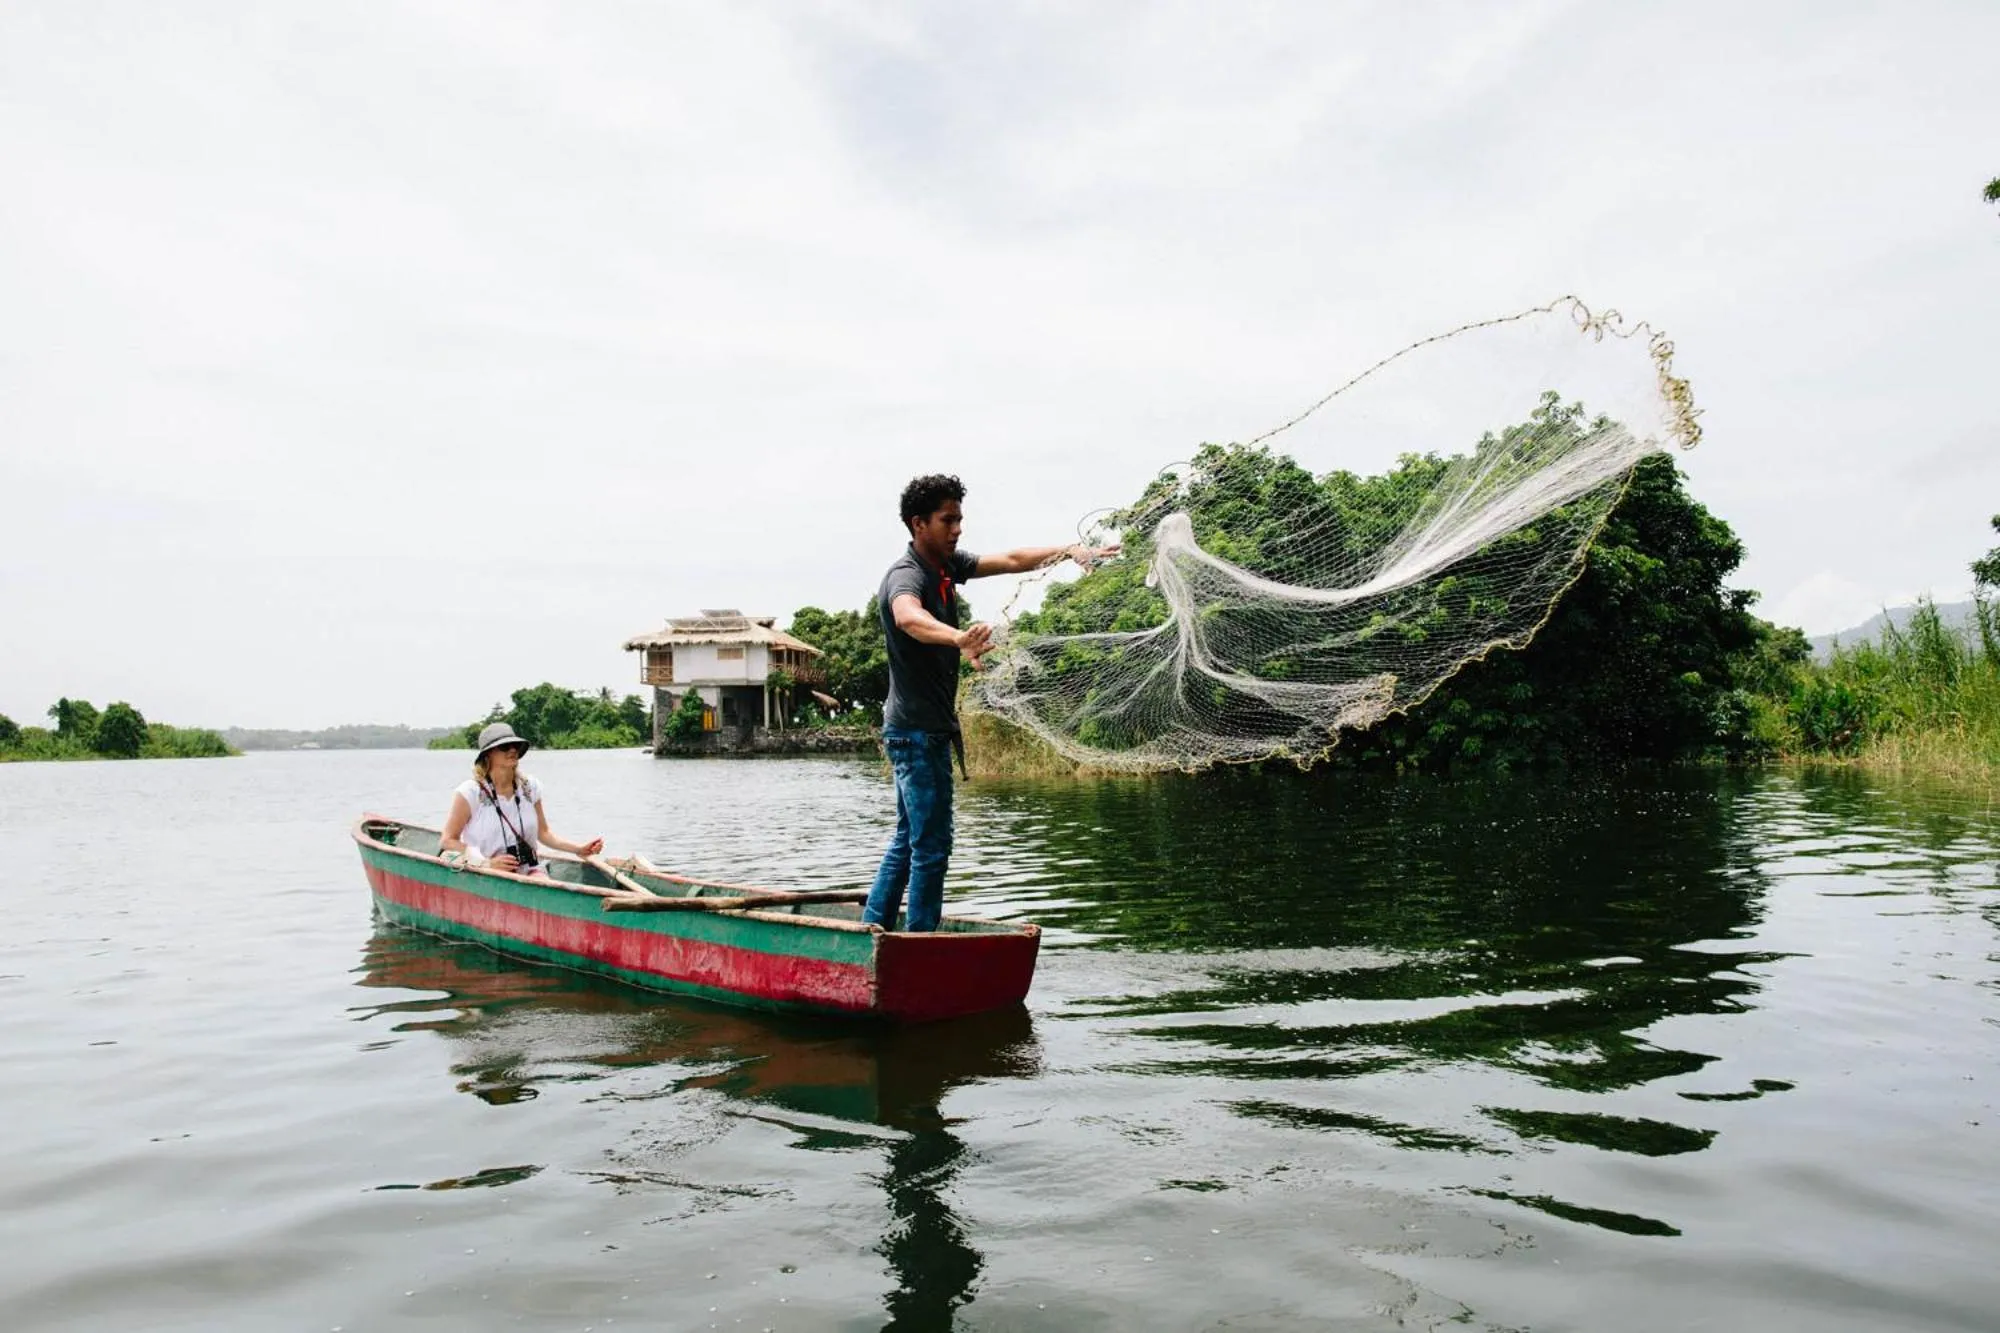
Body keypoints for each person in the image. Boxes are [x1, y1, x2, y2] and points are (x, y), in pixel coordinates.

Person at [863, 474, 1118, 932]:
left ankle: (871, 931)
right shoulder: (908, 574)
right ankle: (920, 945)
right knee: (932, 845)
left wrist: (1069, 552)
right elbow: (907, 617)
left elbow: (1012, 559)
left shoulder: (945, 566)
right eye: (947, 520)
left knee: (911, 839)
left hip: (921, 729)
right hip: (916, 732)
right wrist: (959, 637)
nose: (957, 529)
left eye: (959, 519)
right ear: (918, 524)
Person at [439, 722, 604, 873]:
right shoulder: (470, 792)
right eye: (504, 747)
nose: (512, 750)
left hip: (529, 869)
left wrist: (579, 849)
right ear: (488, 754)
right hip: (485, 873)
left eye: (515, 745)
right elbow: (447, 841)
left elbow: (544, 833)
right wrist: (487, 863)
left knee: (539, 880)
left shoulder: (529, 787)